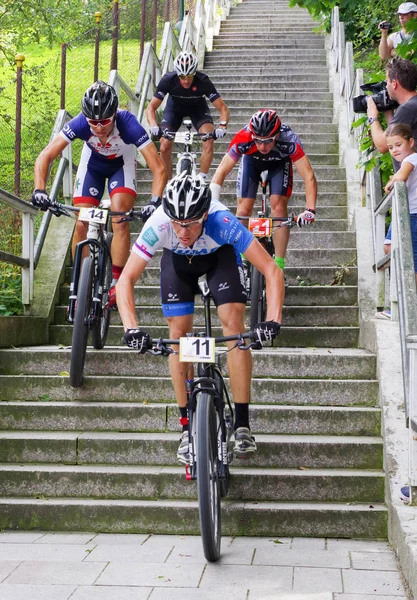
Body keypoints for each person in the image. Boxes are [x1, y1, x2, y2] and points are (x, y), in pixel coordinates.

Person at [116, 172, 284, 464]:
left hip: (219, 258)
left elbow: (271, 270)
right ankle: (186, 426)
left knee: (234, 325)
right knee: (179, 336)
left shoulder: (223, 222)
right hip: (178, 264)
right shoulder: (158, 224)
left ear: (205, 214)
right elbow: (125, 281)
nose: (183, 231)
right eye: (177, 223)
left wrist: (272, 321)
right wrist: (131, 328)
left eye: (191, 223)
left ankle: (242, 424)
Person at [31, 80, 167, 307]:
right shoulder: (81, 124)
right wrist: (39, 190)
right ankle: (78, 285)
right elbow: (46, 156)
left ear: (114, 114)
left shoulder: (129, 125)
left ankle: (116, 284)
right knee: (81, 222)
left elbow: (159, 168)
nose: (98, 127)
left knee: (120, 219)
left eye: (104, 121)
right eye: (93, 122)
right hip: (92, 164)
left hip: (120, 165)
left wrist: (154, 201)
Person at [210, 108, 317, 273]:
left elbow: (308, 175)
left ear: (277, 135)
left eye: (268, 141)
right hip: (251, 163)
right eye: (258, 140)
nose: (262, 146)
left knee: (278, 207)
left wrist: (310, 209)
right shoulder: (244, 137)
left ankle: (279, 266)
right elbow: (221, 171)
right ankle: (242, 262)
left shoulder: (289, 139)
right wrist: (213, 204)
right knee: (244, 209)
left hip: (278, 164)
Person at [145, 51, 230, 179]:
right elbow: (151, 107)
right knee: (164, 145)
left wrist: (222, 126)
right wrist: (153, 125)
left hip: (198, 109)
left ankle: (202, 179)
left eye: (189, 77)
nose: (186, 81)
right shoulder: (168, 80)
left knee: (208, 140)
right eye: (182, 77)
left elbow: (223, 108)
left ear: (195, 74)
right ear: (177, 74)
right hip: (174, 109)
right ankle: (167, 182)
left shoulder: (203, 81)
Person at [367, 57, 417, 172]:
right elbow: (395, 134)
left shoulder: (407, 109)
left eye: (387, 82)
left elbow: (383, 145)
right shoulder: (412, 105)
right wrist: (388, 112)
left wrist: (372, 117)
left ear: (394, 83)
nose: (386, 86)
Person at [384, 123, 417, 283]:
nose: (394, 150)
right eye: (390, 147)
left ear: (410, 142)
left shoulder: (411, 159)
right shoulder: (407, 161)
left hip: (413, 214)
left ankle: (409, 301)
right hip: (406, 212)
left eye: (398, 145)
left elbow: (402, 177)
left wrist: (391, 182)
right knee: (389, 246)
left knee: (413, 259)